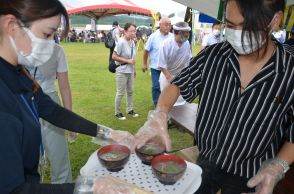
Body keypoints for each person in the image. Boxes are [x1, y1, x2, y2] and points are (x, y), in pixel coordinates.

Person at [133, 0, 294, 194]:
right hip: (207, 161)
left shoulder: (289, 72)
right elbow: (178, 84)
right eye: (230, 25)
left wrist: (278, 166)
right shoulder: (213, 56)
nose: (236, 33)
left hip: (251, 173)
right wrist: (160, 113)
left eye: (245, 26)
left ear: (275, 20)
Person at [0, 0, 134, 193]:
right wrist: (88, 188)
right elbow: (13, 189)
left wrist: (109, 133)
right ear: (12, 25)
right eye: (47, 34)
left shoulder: (18, 74)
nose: (51, 43)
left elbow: (54, 111)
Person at [26, 43, 77, 184]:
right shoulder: (15, 45)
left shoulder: (57, 50)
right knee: (26, 159)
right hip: (24, 104)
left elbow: (64, 87)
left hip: (50, 103)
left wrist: (70, 121)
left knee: (59, 157)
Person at [158, 21, 192, 106]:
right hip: (167, 77)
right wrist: (170, 79)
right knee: (168, 103)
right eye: (186, 35)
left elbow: (189, 60)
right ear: (179, 33)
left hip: (181, 77)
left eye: (188, 35)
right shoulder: (166, 44)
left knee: (181, 103)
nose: (187, 38)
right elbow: (161, 64)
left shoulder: (186, 43)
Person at [142, 17, 172, 107]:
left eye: (170, 25)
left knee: (167, 87)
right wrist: (144, 63)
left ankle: (166, 104)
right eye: (166, 24)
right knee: (156, 86)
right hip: (156, 67)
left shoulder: (172, 37)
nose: (168, 27)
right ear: (160, 25)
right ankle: (157, 105)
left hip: (168, 68)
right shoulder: (153, 37)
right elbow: (146, 51)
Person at [112, 23, 139, 120]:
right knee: (120, 92)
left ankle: (130, 109)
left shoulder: (132, 42)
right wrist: (128, 61)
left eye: (134, 31)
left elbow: (133, 57)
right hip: (121, 70)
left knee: (130, 91)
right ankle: (117, 112)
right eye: (131, 31)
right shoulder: (121, 42)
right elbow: (114, 56)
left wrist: (134, 69)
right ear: (125, 31)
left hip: (130, 70)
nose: (133, 33)